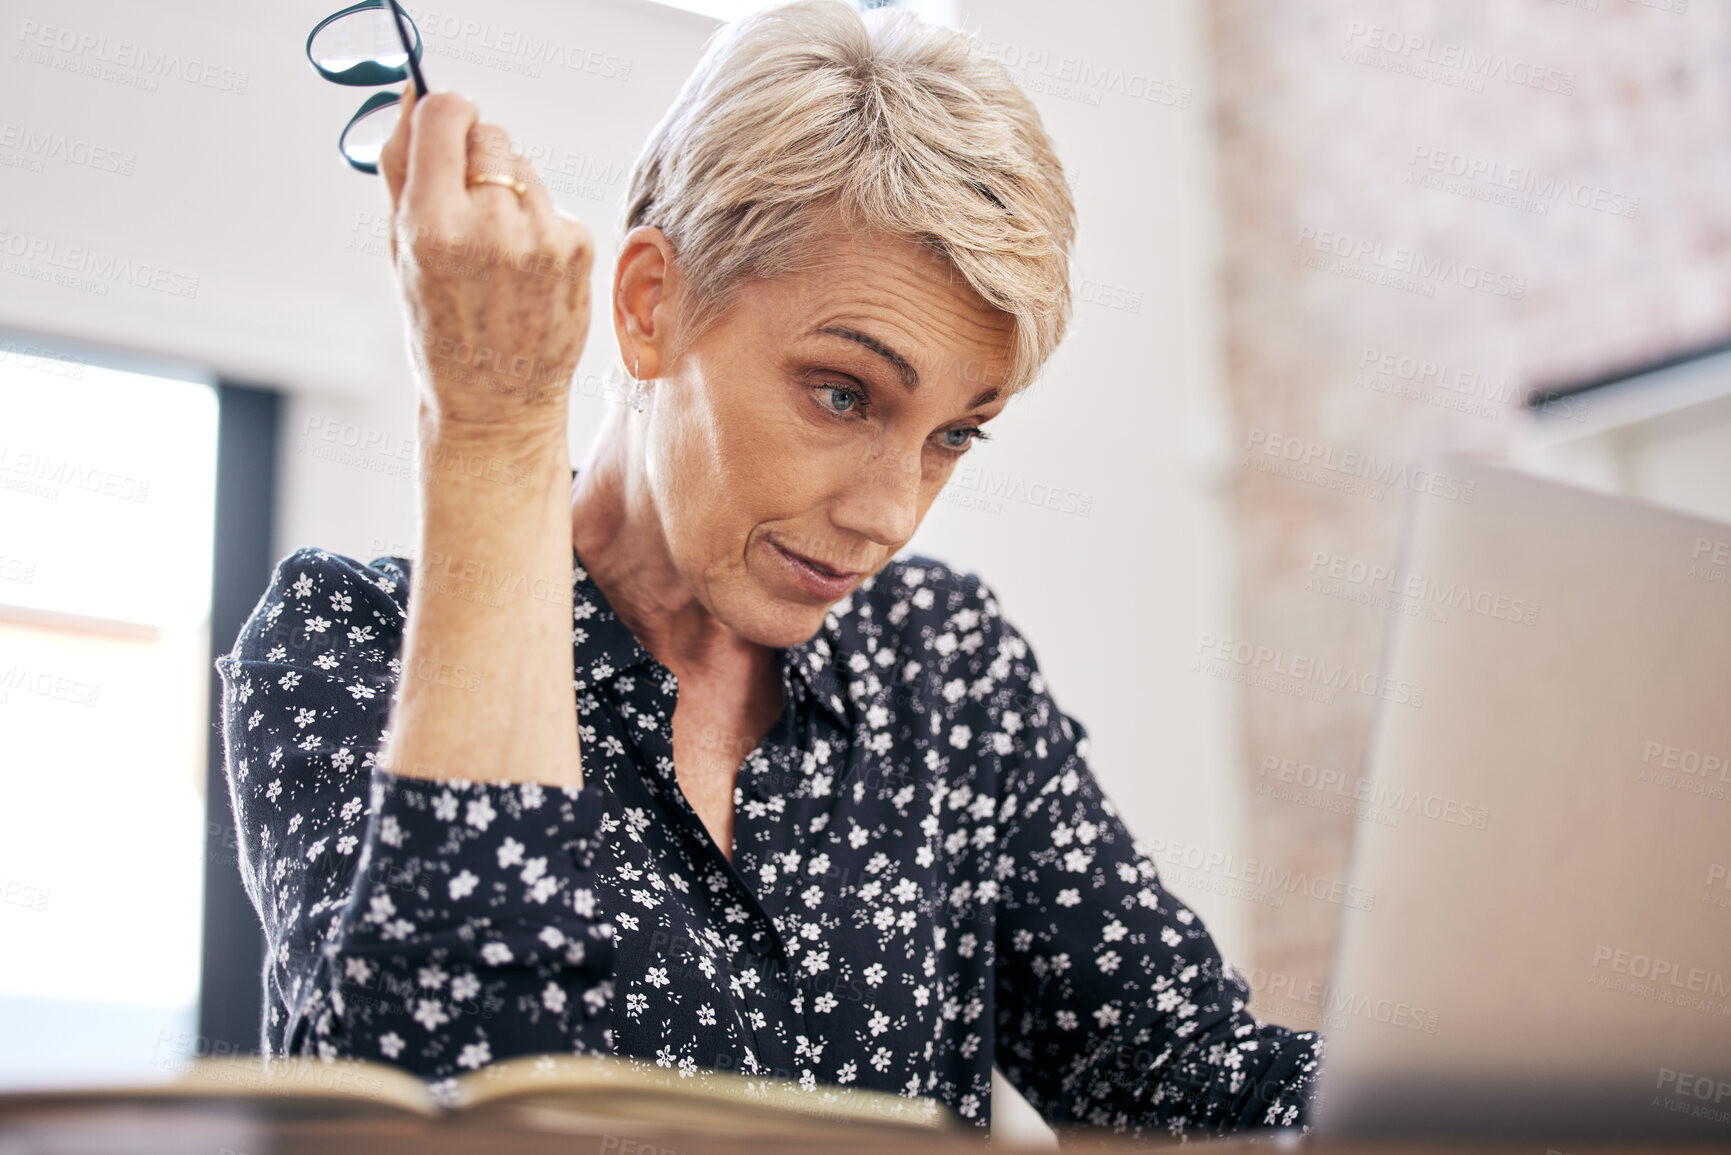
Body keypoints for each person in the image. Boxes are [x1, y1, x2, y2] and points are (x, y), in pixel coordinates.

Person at [216, 0, 1322, 1137]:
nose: (893, 514)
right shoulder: (348, 644)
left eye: (955, 434)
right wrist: (494, 424)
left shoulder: (944, 667)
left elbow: (1185, 1080)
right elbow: (450, 1101)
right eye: (844, 394)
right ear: (651, 306)